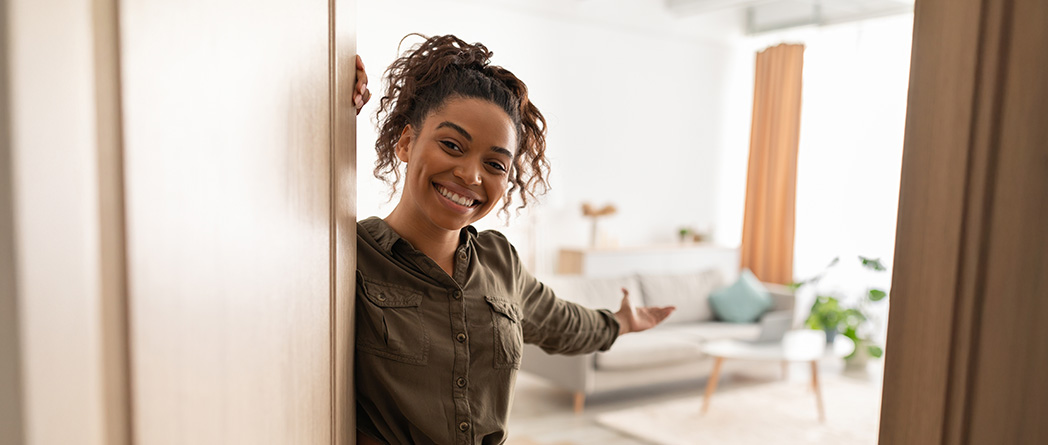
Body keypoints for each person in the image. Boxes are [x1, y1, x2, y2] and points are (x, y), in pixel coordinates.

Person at [352, 34, 675, 445]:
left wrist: (620, 323)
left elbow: (561, 322)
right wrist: (324, 95)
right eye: (452, 145)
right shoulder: (348, 254)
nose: (471, 176)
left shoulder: (499, 260)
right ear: (406, 141)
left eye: (494, 164)